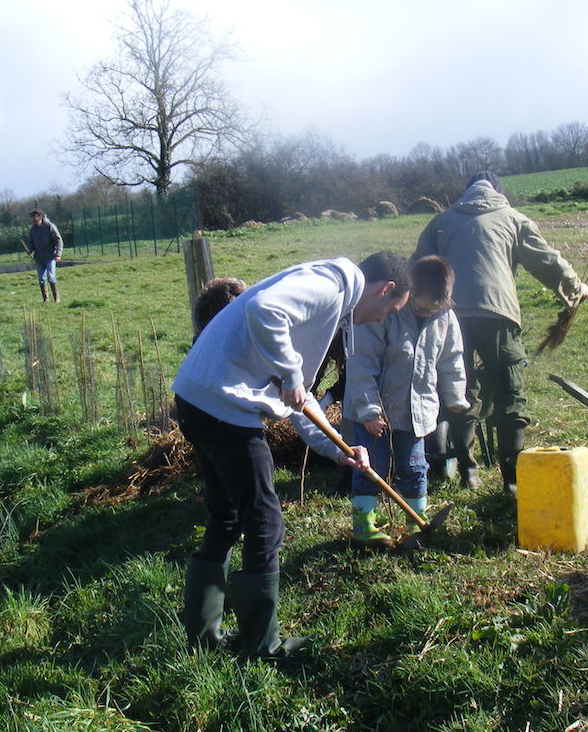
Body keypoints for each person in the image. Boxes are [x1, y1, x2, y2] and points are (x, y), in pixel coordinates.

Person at [172, 252, 411, 659]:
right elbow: (266, 311)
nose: (380, 318)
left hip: (198, 397)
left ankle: (203, 637)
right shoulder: (332, 285)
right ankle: (263, 648)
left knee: (227, 516)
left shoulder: (332, 292)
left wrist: (341, 450)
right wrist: (293, 375)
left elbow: (299, 401)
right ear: (386, 288)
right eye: (390, 309)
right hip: (222, 407)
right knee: (265, 522)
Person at [414, 172, 588, 496]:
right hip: (499, 314)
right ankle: (511, 478)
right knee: (510, 393)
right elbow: (546, 260)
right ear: (498, 191)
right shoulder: (513, 218)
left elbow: (419, 267)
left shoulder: (441, 222)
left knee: (458, 390)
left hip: (449, 316)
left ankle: (468, 469)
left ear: (466, 192)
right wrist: (576, 289)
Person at [343, 255, 468, 549]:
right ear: (410, 292)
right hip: (376, 413)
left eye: (435, 308)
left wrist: (456, 398)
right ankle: (364, 525)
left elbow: (452, 360)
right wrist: (369, 410)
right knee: (370, 467)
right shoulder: (385, 312)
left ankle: (416, 521)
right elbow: (362, 363)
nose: (427, 313)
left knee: (414, 467)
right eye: (421, 307)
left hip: (416, 412)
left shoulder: (445, 317)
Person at [28, 209, 63, 303]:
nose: (34, 222)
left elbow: (59, 240)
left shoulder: (50, 226)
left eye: (35, 220)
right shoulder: (33, 230)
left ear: (40, 217)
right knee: (41, 279)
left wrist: (58, 254)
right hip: (39, 258)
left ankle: (56, 299)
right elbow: (31, 242)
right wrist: (30, 250)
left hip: (50, 256)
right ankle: (46, 299)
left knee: (51, 277)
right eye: (32, 220)